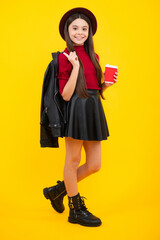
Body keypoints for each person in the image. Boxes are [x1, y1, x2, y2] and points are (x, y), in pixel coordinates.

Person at [43, 7, 118, 227]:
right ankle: (75, 209)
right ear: (67, 31)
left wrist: (107, 85)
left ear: (89, 32)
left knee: (94, 164)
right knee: (73, 160)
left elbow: (94, 88)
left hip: (93, 107)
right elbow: (66, 95)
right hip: (75, 109)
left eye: (84, 28)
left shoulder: (94, 56)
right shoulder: (65, 57)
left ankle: (58, 190)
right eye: (75, 28)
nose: (80, 32)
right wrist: (75, 66)